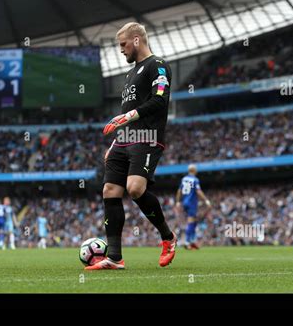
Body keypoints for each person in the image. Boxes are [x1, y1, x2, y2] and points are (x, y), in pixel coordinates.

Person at [86, 22, 176, 270]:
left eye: (123, 44)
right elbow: (127, 110)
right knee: (109, 192)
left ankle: (167, 238)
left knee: (135, 188)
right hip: (123, 140)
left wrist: (127, 117)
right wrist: (116, 140)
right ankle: (114, 258)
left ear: (137, 40)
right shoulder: (130, 74)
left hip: (147, 136)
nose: (121, 50)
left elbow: (160, 100)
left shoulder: (157, 65)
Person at [175, 164, 211, 249]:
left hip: (185, 202)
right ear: (194, 170)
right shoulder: (195, 179)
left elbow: (179, 190)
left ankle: (192, 241)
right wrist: (206, 200)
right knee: (191, 221)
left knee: (194, 221)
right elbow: (198, 191)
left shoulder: (184, 179)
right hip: (191, 202)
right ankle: (187, 242)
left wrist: (178, 201)